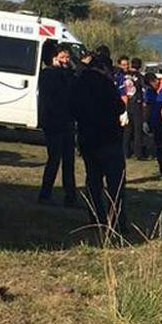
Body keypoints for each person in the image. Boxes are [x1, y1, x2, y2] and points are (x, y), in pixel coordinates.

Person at [70, 55, 129, 233]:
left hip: (88, 138)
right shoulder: (106, 84)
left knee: (93, 180)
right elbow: (120, 107)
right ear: (104, 68)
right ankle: (117, 220)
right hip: (109, 137)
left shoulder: (79, 83)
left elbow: (72, 108)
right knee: (115, 183)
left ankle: (96, 218)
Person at [37, 43, 77, 207]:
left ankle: (70, 195)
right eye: (62, 57)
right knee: (54, 159)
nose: (66, 60)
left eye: (67, 57)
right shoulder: (49, 74)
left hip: (66, 121)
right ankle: (45, 194)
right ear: (54, 58)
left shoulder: (66, 74)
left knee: (69, 160)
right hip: (54, 121)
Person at [121, 57, 147, 160]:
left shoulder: (123, 76)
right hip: (136, 104)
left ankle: (125, 152)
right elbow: (144, 90)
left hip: (125, 103)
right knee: (137, 130)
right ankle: (138, 153)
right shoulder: (140, 77)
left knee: (127, 130)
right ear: (140, 66)